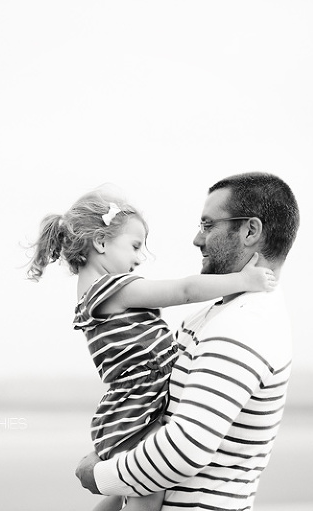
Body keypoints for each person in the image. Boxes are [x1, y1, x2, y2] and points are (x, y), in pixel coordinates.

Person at [27, 186, 278, 511]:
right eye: (134, 246)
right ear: (100, 243)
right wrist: (243, 281)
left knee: (122, 493)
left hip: (131, 409)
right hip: (134, 413)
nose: (139, 257)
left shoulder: (94, 292)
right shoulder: (110, 288)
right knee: (148, 494)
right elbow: (185, 290)